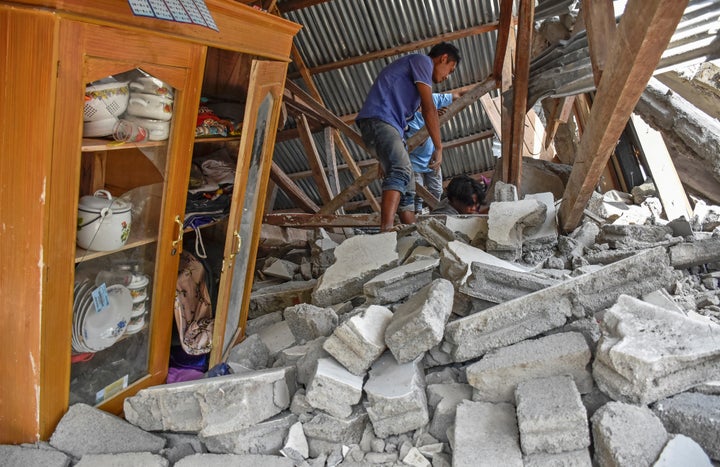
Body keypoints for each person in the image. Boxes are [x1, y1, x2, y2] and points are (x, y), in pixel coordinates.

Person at [355, 42, 461, 232]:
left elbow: (411, 118)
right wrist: (438, 147)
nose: (447, 77)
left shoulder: (414, 92)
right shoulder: (422, 62)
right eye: (450, 70)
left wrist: (385, 156)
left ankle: (412, 233)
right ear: (443, 58)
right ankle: (386, 229)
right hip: (380, 119)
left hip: (388, 128)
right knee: (401, 170)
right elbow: (430, 109)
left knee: (408, 183)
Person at [406, 91, 464, 214]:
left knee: (437, 190)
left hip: (432, 158)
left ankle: (435, 214)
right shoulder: (407, 117)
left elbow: (458, 94)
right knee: (417, 193)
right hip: (414, 162)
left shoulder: (431, 99)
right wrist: (432, 119)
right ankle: (416, 217)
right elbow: (420, 141)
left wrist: (488, 84)